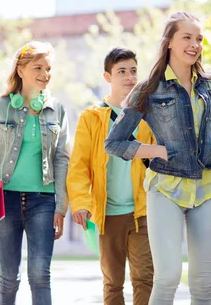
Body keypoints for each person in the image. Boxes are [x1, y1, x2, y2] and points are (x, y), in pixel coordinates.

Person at [104, 11, 211, 305]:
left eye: (198, 38)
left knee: (202, 283)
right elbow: (114, 142)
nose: (194, 44)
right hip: (166, 190)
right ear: (170, 43)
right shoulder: (149, 87)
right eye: (186, 37)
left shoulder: (209, 83)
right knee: (168, 278)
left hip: (210, 187)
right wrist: (157, 151)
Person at [0, 41, 70, 305]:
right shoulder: (0, 107)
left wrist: (61, 206)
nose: (45, 74)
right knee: (9, 277)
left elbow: (63, 159)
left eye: (48, 68)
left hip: (44, 200)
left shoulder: (57, 109)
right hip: (6, 201)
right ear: (20, 70)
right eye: (38, 67)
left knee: (40, 274)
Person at [67, 48, 155, 305]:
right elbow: (79, 166)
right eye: (121, 72)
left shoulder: (147, 115)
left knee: (145, 278)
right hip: (108, 214)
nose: (129, 77)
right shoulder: (92, 117)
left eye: (133, 71)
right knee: (113, 282)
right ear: (108, 76)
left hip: (143, 211)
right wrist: (81, 202)